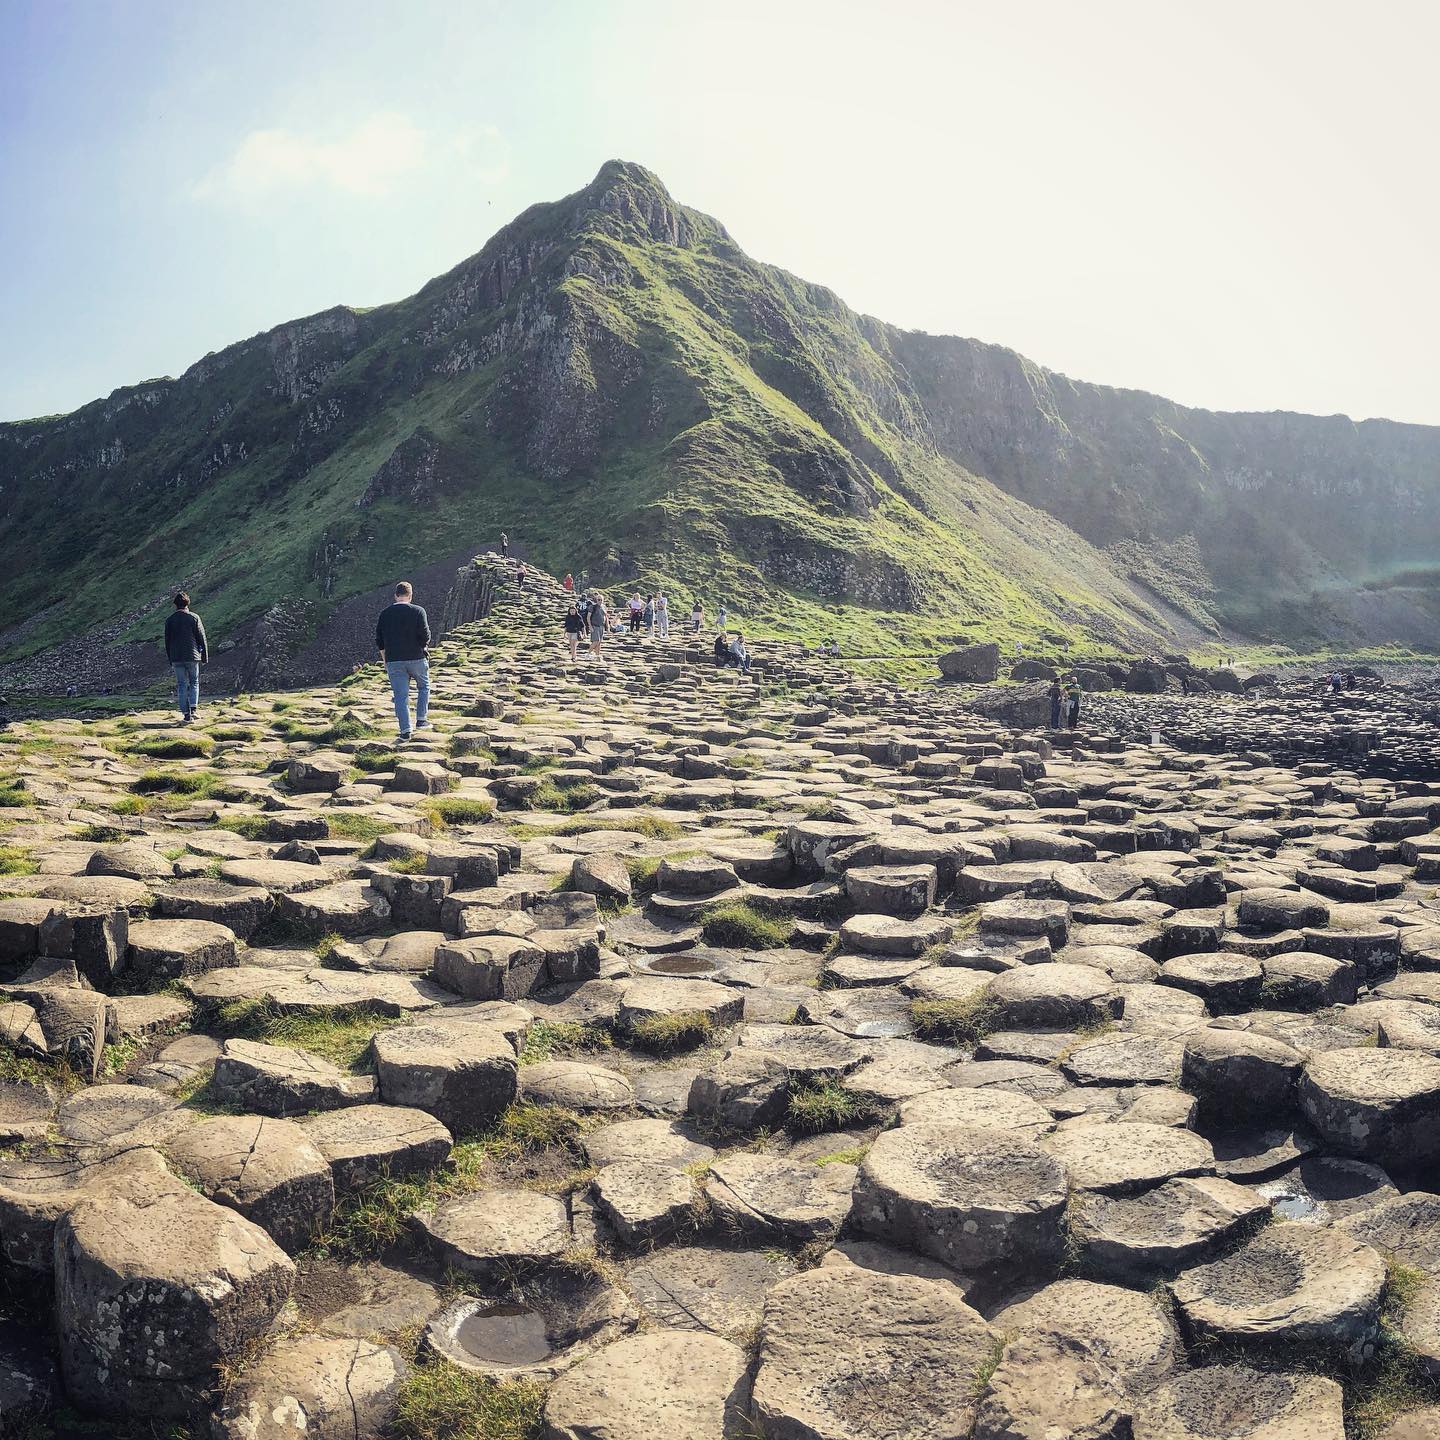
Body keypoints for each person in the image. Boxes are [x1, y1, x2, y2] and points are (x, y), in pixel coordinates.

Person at [376, 581, 431, 739]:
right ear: (410, 596)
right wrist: (422, 647)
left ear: (395, 595)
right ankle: (421, 720)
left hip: (394, 660)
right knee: (424, 687)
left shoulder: (385, 613)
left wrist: (385, 660)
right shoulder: (418, 611)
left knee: (400, 695)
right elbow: (425, 636)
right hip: (416, 657)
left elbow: (379, 640)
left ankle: (405, 730)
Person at [164, 591, 208, 724]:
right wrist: (204, 656)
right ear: (187, 603)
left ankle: (186, 714)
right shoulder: (194, 618)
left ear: (175, 605)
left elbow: (167, 641)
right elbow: (201, 638)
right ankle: (194, 710)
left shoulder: (170, 620)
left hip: (176, 657)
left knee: (182, 685)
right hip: (192, 656)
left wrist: (170, 658)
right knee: (194, 682)